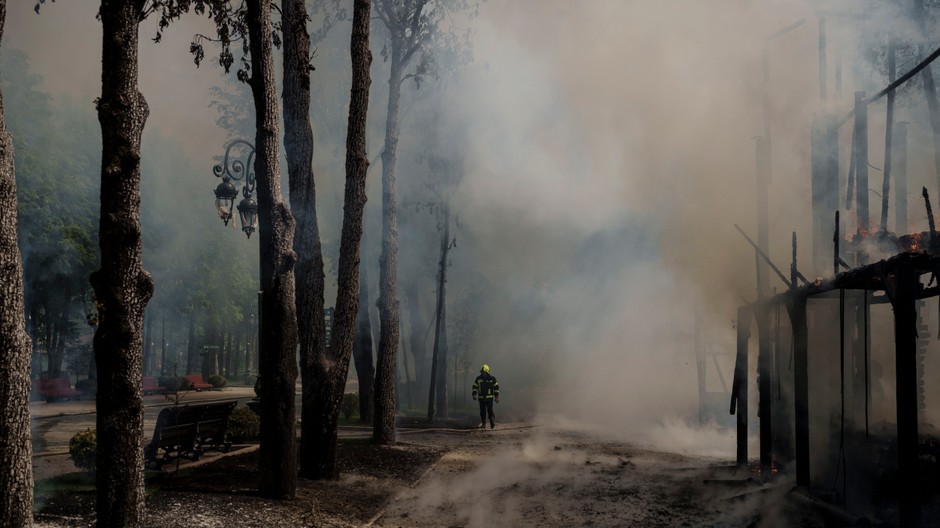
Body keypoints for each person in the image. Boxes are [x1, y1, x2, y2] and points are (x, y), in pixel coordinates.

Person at [472, 364, 500, 429]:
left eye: (484, 372)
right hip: (481, 399)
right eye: (482, 372)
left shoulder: (492, 379)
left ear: (487, 372)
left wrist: (496, 397)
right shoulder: (478, 379)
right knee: (482, 412)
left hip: (489, 399)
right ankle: (484, 424)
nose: (483, 374)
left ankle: (492, 421)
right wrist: (474, 394)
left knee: (490, 411)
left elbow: (496, 388)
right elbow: (474, 387)